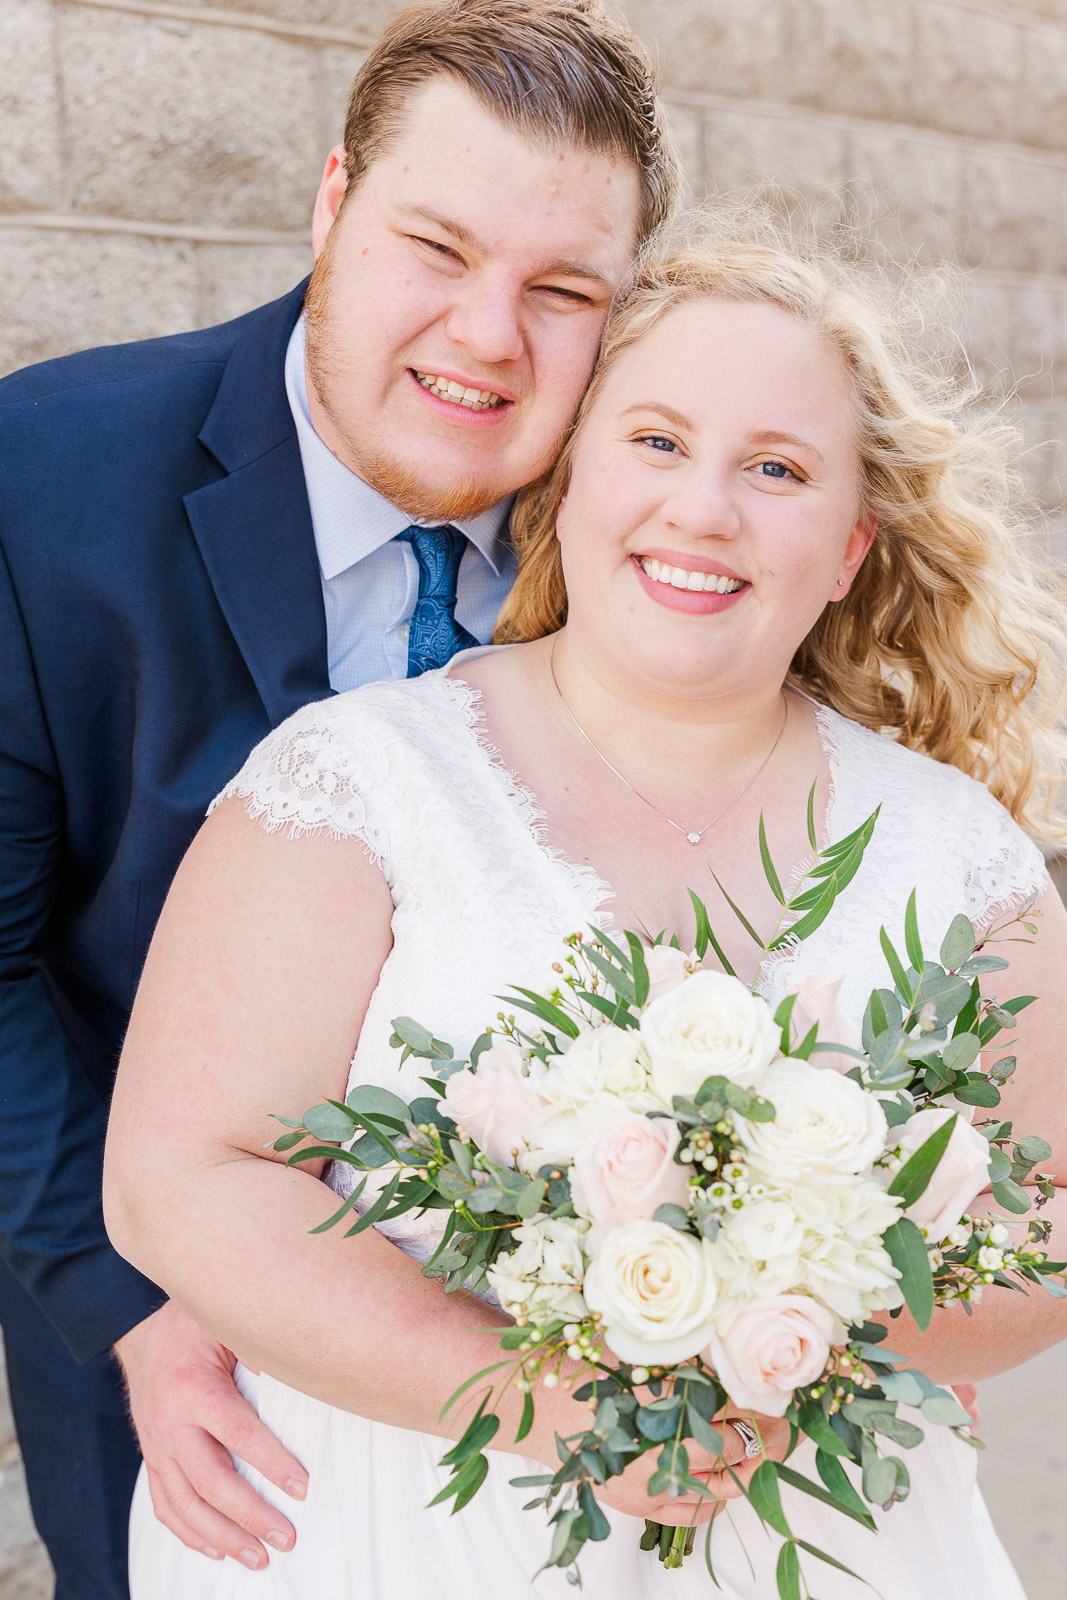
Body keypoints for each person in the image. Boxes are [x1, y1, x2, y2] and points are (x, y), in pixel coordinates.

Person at [104, 214, 1067, 1597]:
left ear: (850, 549)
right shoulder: (360, 783)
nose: (704, 509)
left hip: (823, 1533)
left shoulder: (958, 855)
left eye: (777, 469)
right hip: (391, 1529)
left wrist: (800, 1323)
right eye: (657, 442)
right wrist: (555, 1400)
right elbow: (178, 1180)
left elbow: (1056, 1225)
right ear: (567, 485)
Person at [0, 2, 675, 1592]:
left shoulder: (656, 526)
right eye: (434, 247)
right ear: (331, 206)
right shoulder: (42, 482)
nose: (489, 336)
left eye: (562, 291)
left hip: (598, 1345)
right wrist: (134, 1312)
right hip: (178, 1345)